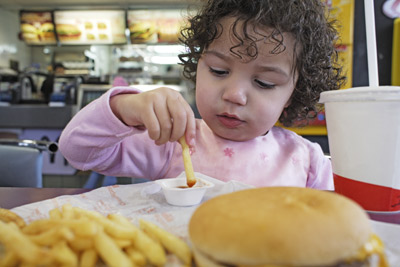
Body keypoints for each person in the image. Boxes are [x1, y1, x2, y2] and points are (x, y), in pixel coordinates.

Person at [59, 0, 344, 189]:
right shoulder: (173, 142)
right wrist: (125, 107)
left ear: (293, 95)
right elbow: (77, 151)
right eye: (219, 71)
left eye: (264, 83)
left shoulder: (307, 161)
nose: (234, 95)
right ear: (198, 65)